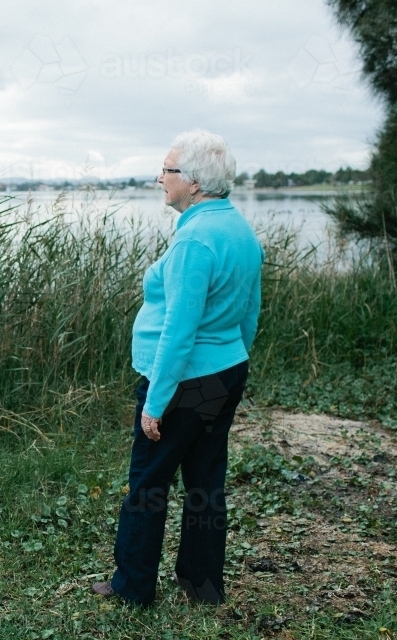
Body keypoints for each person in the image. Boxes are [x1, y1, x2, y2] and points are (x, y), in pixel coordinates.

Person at [92, 130, 263, 605]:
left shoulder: (196, 241)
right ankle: (201, 585)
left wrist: (156, 402)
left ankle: (132, 587)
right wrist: (231, 360)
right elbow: (250, 312)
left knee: (148, 484)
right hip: (225, 371)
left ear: (192, 182)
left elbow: (179, 331)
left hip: (185, 383)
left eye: (166, 171)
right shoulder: (238, 229)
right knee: (206, 482)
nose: (159, 179)